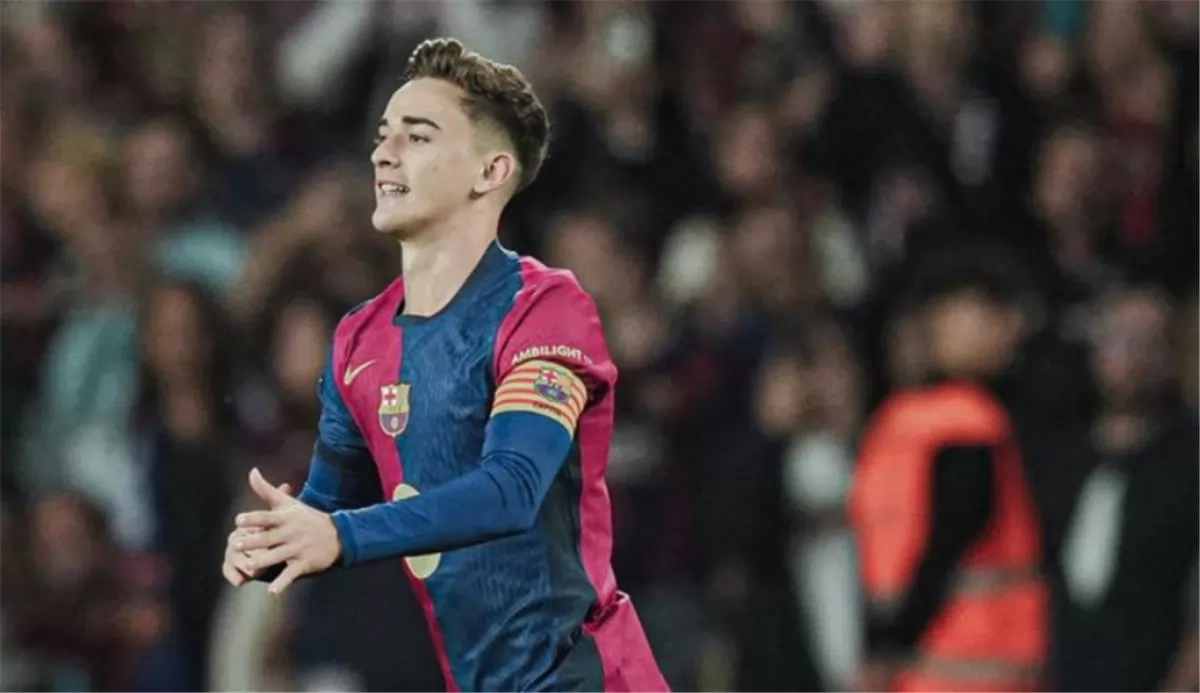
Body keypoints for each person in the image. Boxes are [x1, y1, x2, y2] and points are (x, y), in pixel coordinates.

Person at [219, 38, 668, 693]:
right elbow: (326, 502)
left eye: (419, 137)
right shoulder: (358, 340)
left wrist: (339, 534)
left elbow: (512, 489)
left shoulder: (544, 312)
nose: (384, 154)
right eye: (383, 136)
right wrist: (276, 537)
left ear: (489, 173)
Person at [849, 257, 1048, 692]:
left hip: (964, 659)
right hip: (935, 661)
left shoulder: (958, 422)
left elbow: (947, 541)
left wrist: (888, 643)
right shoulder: (916, 421)